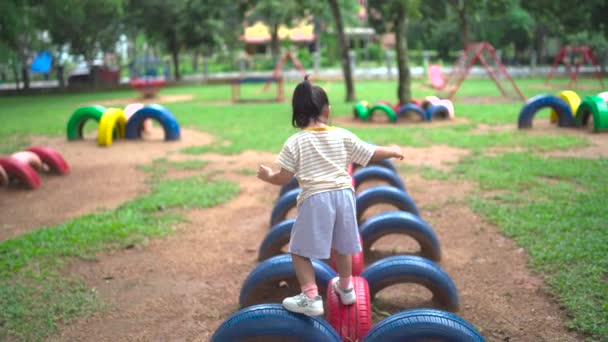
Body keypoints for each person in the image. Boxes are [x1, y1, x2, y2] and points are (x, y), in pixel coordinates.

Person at [257, 76, 404, 316]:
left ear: (297, 113)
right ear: (328, 110)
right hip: (345, 196)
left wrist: (267, 175)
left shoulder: (295, 142)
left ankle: (311, 296)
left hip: (316, 199)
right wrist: (392, 151)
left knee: (298, 250)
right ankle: (346, 288)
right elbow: (370, 152)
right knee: (343, 246)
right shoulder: (343, 135)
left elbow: (284, 178)